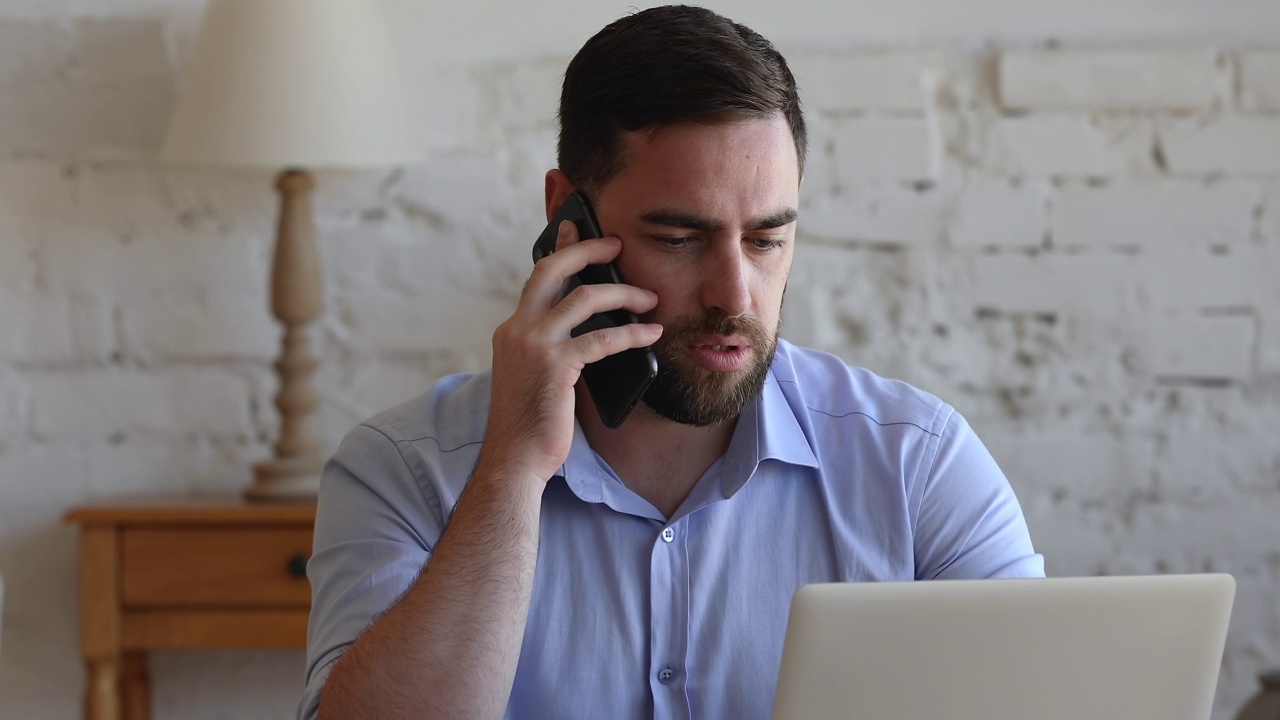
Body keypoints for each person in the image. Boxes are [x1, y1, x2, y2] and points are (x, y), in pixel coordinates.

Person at [298, 5, 1044, 720]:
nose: (733, 293)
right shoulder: (402, 470)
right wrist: (512, 472)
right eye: (680, 239)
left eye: (766, 240)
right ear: (567, 218)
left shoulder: (916, 464)